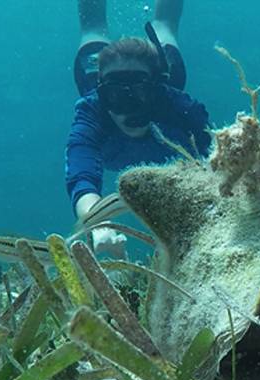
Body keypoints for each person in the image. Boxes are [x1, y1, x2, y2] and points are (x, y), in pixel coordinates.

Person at [65, 0, 210, 256]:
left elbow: (216, 162)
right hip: (98, 74)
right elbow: (82, 175)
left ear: (156, 91)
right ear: (102, 93)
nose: (127, 108)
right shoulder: (92, 110)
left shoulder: (179, 106)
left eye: (139, 93)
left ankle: (159, 31)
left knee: (163, 26)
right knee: (92, 29)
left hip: (164, 72)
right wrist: (98, 225)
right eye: (115, 95)